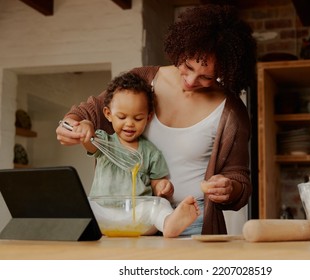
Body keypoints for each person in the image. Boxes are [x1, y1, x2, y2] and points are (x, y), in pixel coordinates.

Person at [56, 4, 257, 235]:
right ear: (181, 47)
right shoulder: (144, 80)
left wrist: (229, 188)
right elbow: (87, 112)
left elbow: (239, 179)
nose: (191, 81)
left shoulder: (231, 111)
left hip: (193, 222)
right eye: (188, 66)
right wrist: (72, 125)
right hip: (132, 215)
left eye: (206, 77)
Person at [74, 71, 200, 238]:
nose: (129, 123)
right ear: (108, 114)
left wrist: (162, 187)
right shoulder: (104, 141)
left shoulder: (151, 153)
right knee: (83, 205)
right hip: (104, 213)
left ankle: (169, 223)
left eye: (138, 118)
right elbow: (89, 142)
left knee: (159, 205)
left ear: (148, 117)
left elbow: (156, 183)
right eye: (122, 116)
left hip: (136, 215)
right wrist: (85, 126)